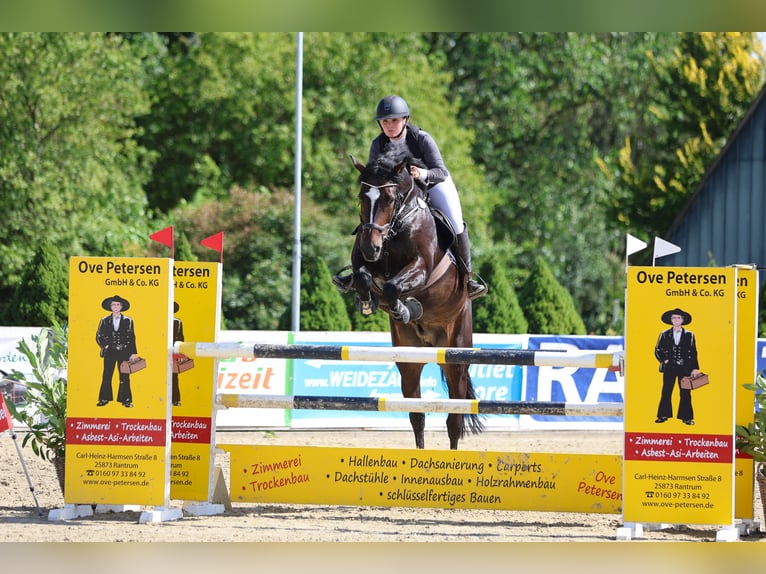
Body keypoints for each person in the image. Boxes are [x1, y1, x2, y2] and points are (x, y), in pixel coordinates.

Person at [335, 95, 487, 300]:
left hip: (432, 184)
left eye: (394, 120)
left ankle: (467, 277)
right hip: (397, 195)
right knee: (371, 222)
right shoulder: (378, 144)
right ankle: (357, 274)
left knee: (456, 222)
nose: (389, 125)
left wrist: (421, 174)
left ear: (405, 119)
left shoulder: (421, 139)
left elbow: (440, 171)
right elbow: (375, 178)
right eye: (385, 121)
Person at [654, 307, 700, 425]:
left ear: (683, 320)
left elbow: (693, 351)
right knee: (666, 391)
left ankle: (687, 417)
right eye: (674, 317)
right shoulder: (664, 334)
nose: (676, 320)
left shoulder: (690, 334)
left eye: (678, 318)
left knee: (685, 392)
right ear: (670, 320)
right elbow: (658, 349)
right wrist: (665, 360)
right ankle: (663, 415)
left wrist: (695, 368)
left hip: (684, 367)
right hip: (670, 368)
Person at [96, 295, 139, 408]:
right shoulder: (104, 320)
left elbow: (132, 337)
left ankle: (126, 400)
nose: (116, 307)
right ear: (110, 307)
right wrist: (105, 345)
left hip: (124, 351)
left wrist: (133, 353)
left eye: (118, 305)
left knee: (124, 376)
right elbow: (99, 335)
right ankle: (104, 398)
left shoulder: (128, 320)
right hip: (110, 352)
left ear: (121, 307)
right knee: (107, 375)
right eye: (114, 305)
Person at [171, 301, 185, 407]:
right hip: (161, 352)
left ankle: (175, 399)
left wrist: (180, 353)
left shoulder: (177, 322)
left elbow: (181, 338)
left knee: (174, 376)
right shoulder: (160, 321)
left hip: (173, 351)